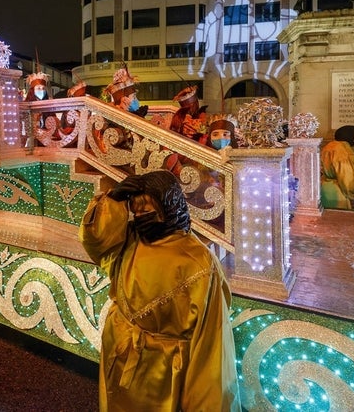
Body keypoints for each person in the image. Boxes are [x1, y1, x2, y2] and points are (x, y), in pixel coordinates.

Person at [79, 170, 241, 411]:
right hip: (120, 352)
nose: (139, 217)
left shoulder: (198, 262)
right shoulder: (130, 239)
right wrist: (113, 198)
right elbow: (95, 239)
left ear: (169, 208)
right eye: (136, 212)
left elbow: (210, 346)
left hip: (165, 373)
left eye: (147, 211)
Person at [321, 124, 354, 209]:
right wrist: (352, 193)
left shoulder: (328, 147)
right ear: (348, 135)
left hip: (324, 188)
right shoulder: (341, 150)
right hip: (338, 192)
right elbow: (345, 175)